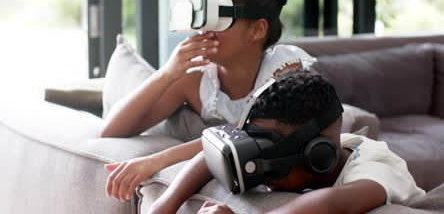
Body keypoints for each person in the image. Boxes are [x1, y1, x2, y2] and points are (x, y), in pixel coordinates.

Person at [100, 0, 318, 202]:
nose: (205, 30)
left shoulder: (283, 70)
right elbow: (112, 130)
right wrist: (167, 73)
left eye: (218, 18)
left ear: (257, 30)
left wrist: (156, 160)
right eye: (204, 18)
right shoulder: (197, 80)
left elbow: (246, 132)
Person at [149, 70, 426, 214]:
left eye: (273, 164)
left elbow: (333, 205)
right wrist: (165, 205)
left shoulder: (374, 168)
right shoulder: (280, 151)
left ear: (318, 156)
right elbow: (214, 156)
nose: (261, 170)